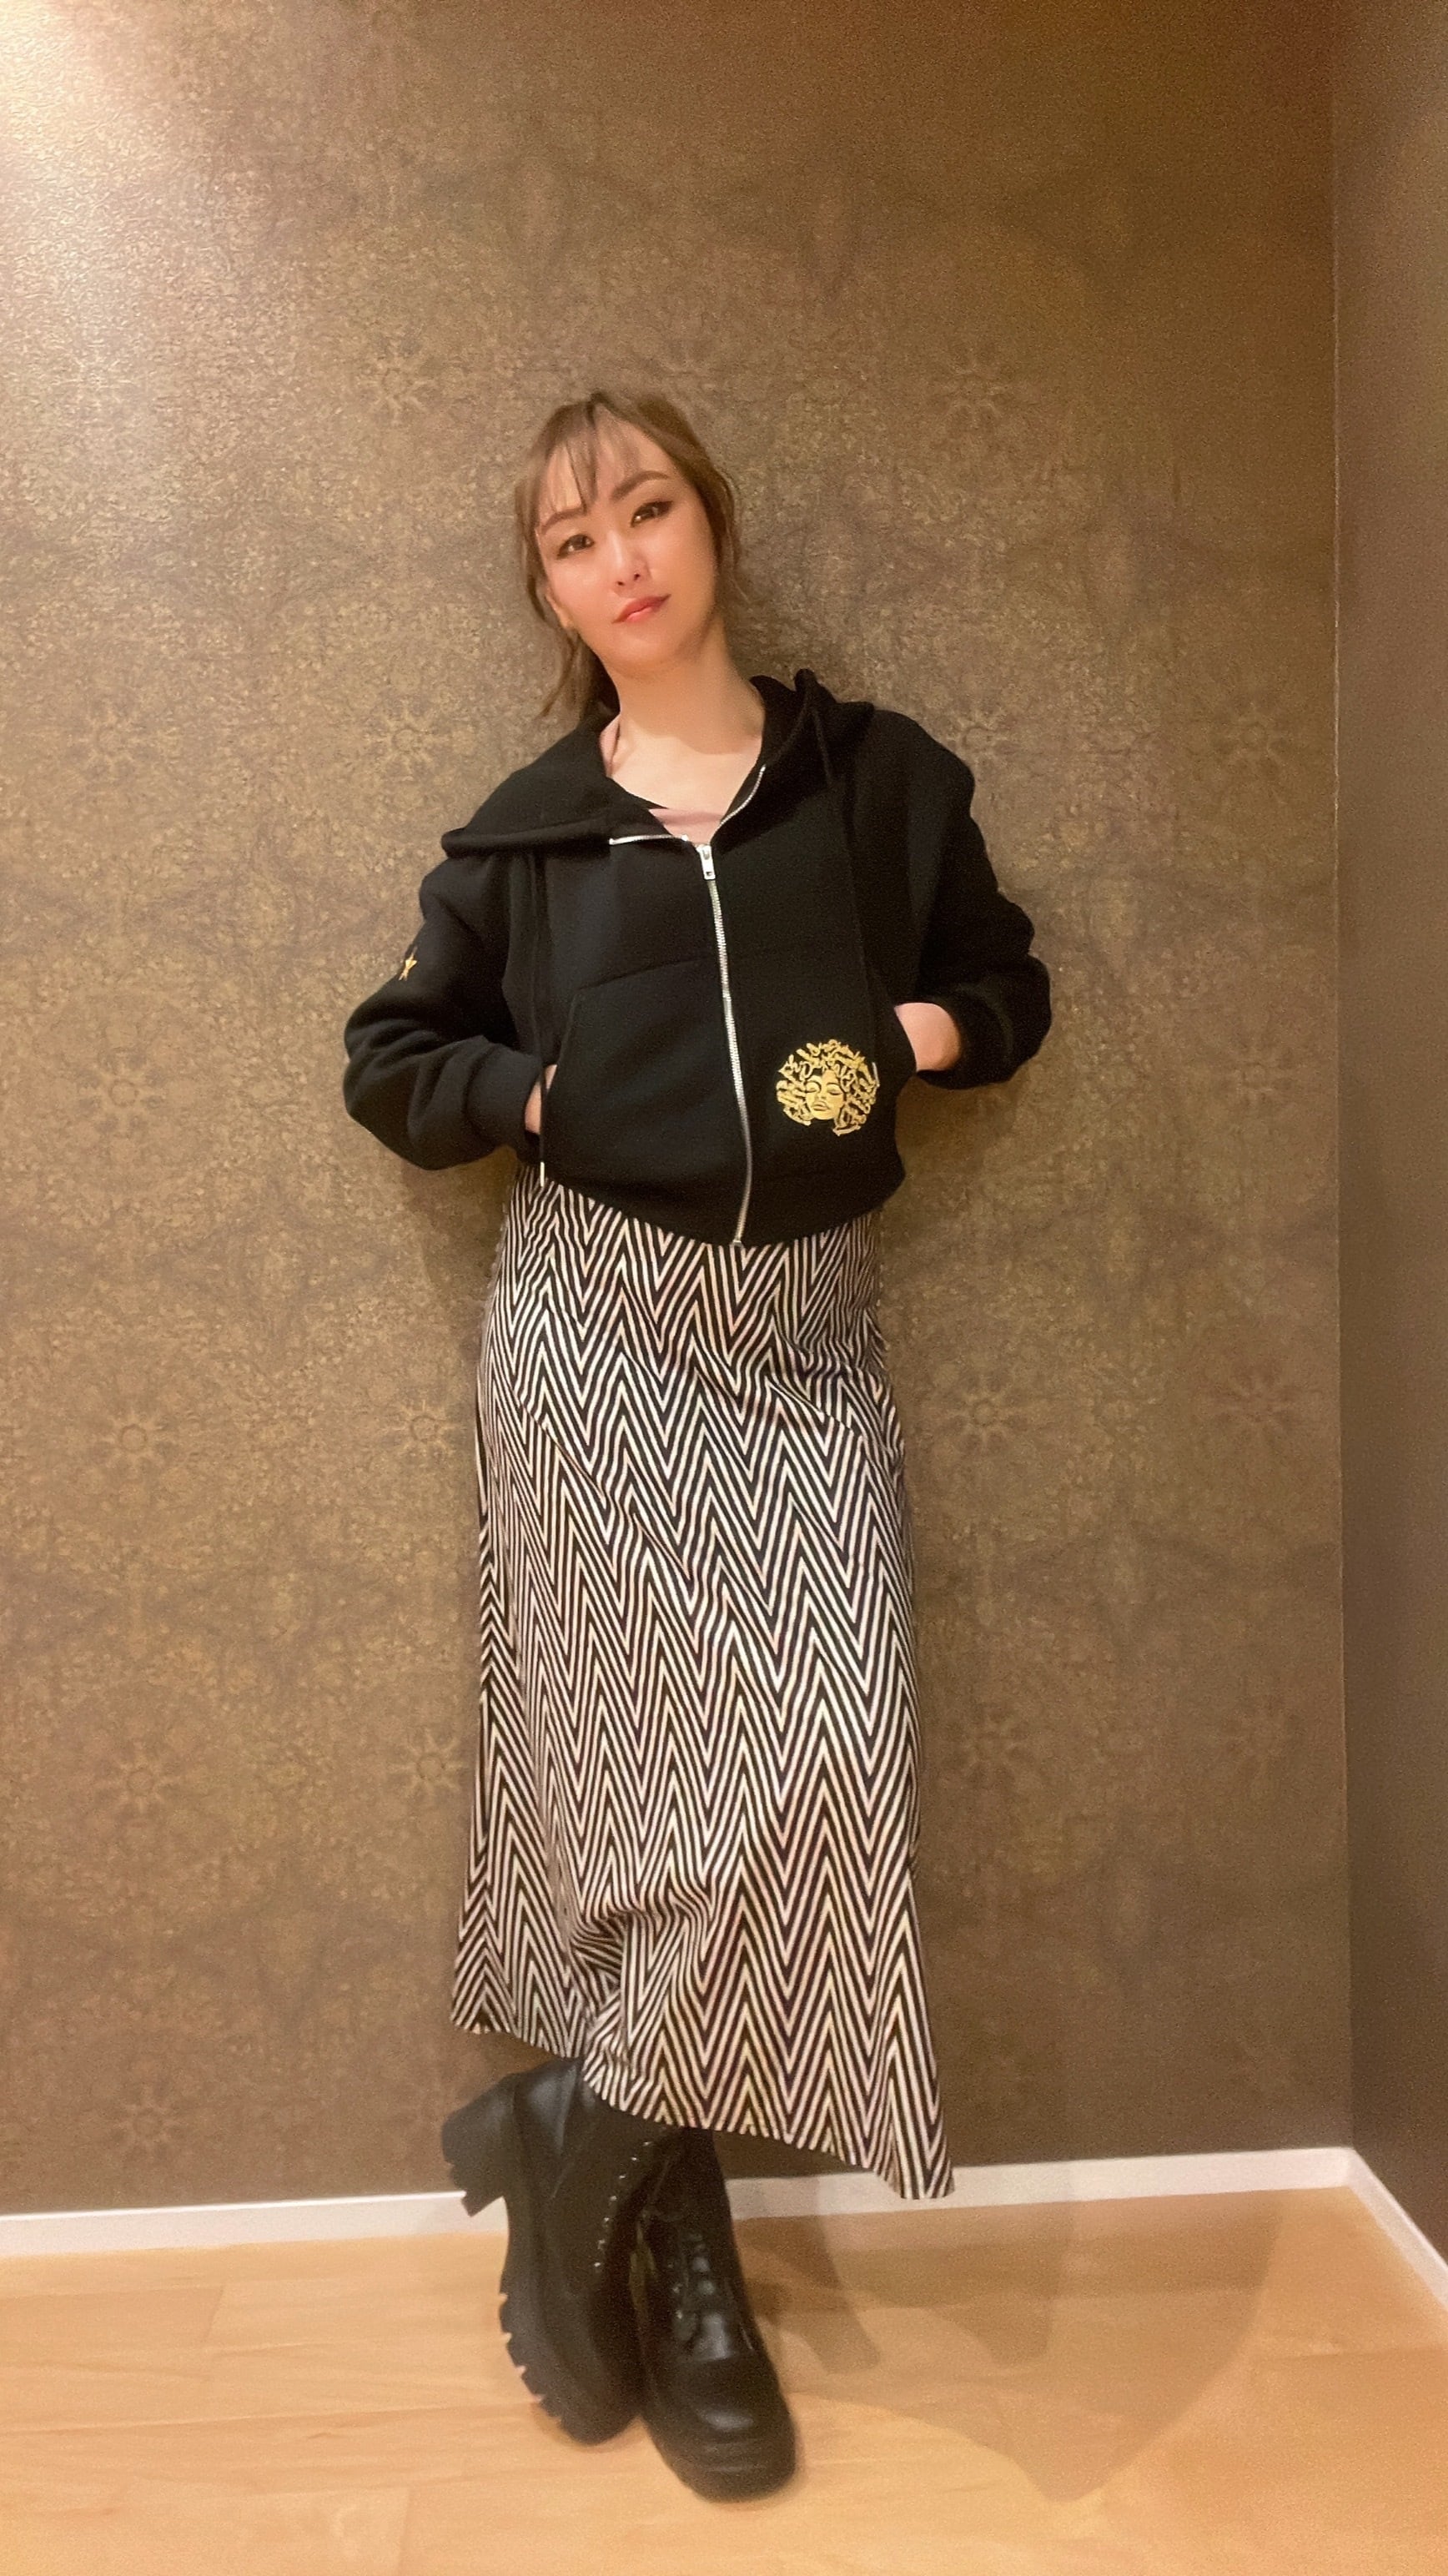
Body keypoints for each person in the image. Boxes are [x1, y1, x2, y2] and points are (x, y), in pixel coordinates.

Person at [339, 389, 1051, 2502]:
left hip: (801, 1348)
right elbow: (393, 1059)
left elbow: (1006, 983)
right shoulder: (528, 837)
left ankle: (581, 2130)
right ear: (553, 595)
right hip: (589, 1338)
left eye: (644, 509)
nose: (621, 560)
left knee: (830, 1758)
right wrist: (538, 1096)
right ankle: (690, 2248)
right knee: (637, 1815)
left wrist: (920, 1032)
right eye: (574, 542)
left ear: (709, 522)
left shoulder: (880, 782)